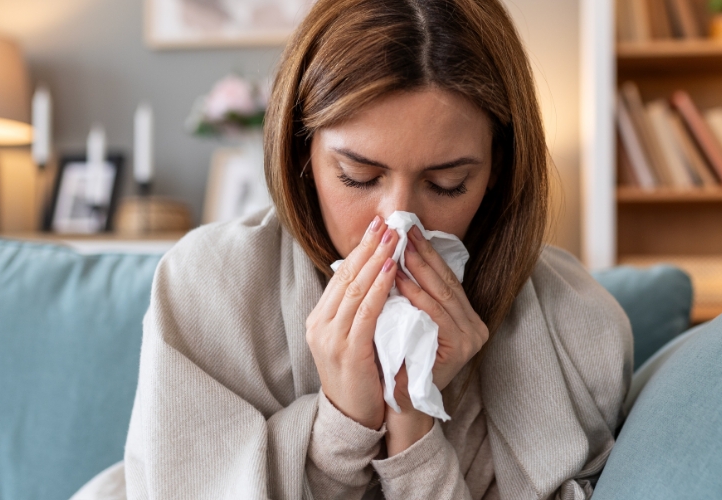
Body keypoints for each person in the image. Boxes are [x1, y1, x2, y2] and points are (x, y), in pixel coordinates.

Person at [70, 0, 631, 498]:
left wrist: (412, 423)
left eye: (447, 184)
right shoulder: (206, 287)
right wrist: (343, 427)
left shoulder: (576, 325)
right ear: (302, 153)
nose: (400, 223)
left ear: (498, 172)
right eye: (358, 176)